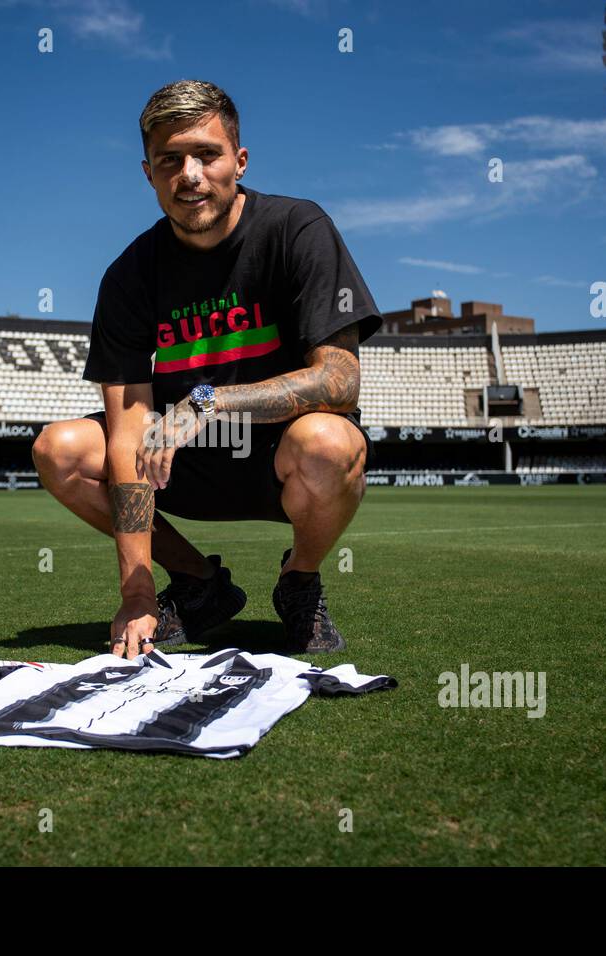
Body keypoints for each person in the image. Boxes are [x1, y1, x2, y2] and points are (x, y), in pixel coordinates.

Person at [32, 79, 382, 660]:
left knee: (329, 442)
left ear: (239, 162)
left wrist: (210, 401)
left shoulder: (297, 229)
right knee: (59, 450)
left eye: (207, 155)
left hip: (277, 456)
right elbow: (126, 435)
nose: (189, 174)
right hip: (179, 464)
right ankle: (197, 585)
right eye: (170, 160)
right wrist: (136, 587)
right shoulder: (128, 275)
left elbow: (340, 382)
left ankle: (299, 580)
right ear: (148, 173)